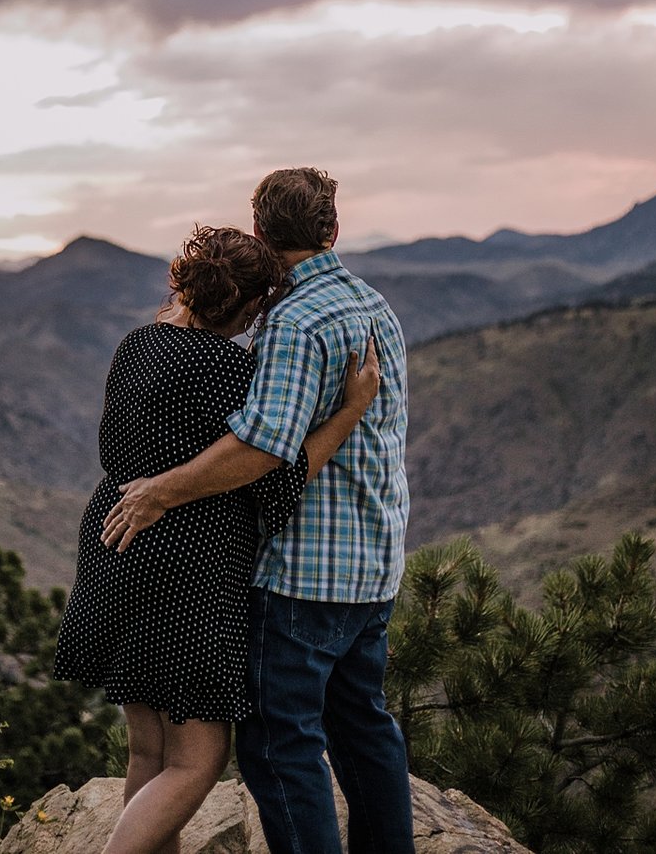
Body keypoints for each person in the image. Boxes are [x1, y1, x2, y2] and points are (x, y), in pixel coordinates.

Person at [102, 170, 413, 854]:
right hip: (372, 562)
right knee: (365, 731)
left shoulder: (294, 323)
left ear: (265, 236)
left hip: (304, 573)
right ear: (334, 229)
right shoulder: (374, 304)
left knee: (280, 746)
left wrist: (160, 491)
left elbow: (259, 450)